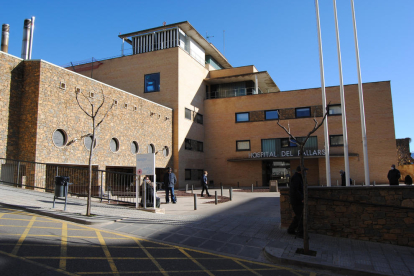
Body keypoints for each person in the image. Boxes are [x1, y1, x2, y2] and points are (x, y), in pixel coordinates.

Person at [288, 166, 305, 238]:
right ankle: (300, 233)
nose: (306, 172)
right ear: (300, 171)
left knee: (298, 216)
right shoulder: (296, 178)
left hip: (296, 200)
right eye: (304, 171)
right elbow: (295, 190)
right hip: (296, 201)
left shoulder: (298, 177)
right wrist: (301, 198)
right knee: (301, 217)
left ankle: (291, 229)